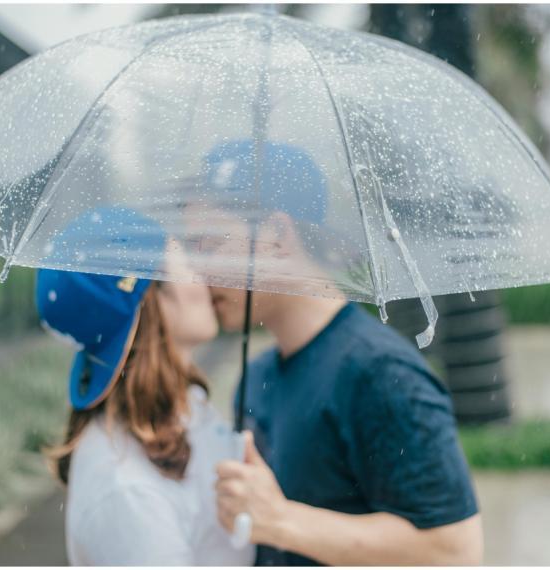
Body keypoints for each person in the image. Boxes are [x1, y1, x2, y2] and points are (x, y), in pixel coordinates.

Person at [197, 141, 484, 565]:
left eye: (209, 244)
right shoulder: (256, 378)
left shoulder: (380, 373)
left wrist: (282, 521)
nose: (199, 272)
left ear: (276, 235)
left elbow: (455, 551)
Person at [36, 207, 254, 566]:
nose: (203, 274)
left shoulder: (185, 404)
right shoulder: (126, 491)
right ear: (150, 302)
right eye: (186, 260)